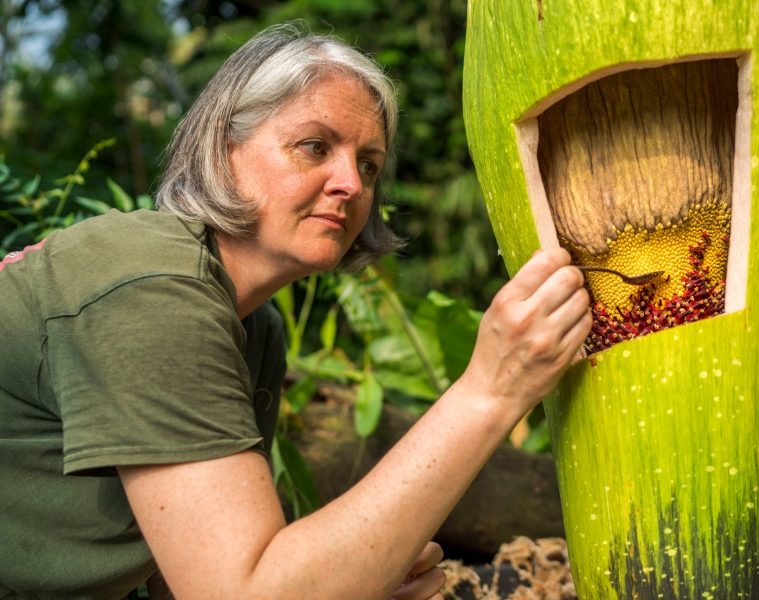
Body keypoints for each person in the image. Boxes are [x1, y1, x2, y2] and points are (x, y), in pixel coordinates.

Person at [0, 23, 591, 600]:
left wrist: (349, 577)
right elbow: (242, 590)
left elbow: (193, 573)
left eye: (368, 163)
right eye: (315, 146)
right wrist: (491, 389)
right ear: (222, 148)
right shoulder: (151, 287)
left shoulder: (255, 331)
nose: (351, 185)